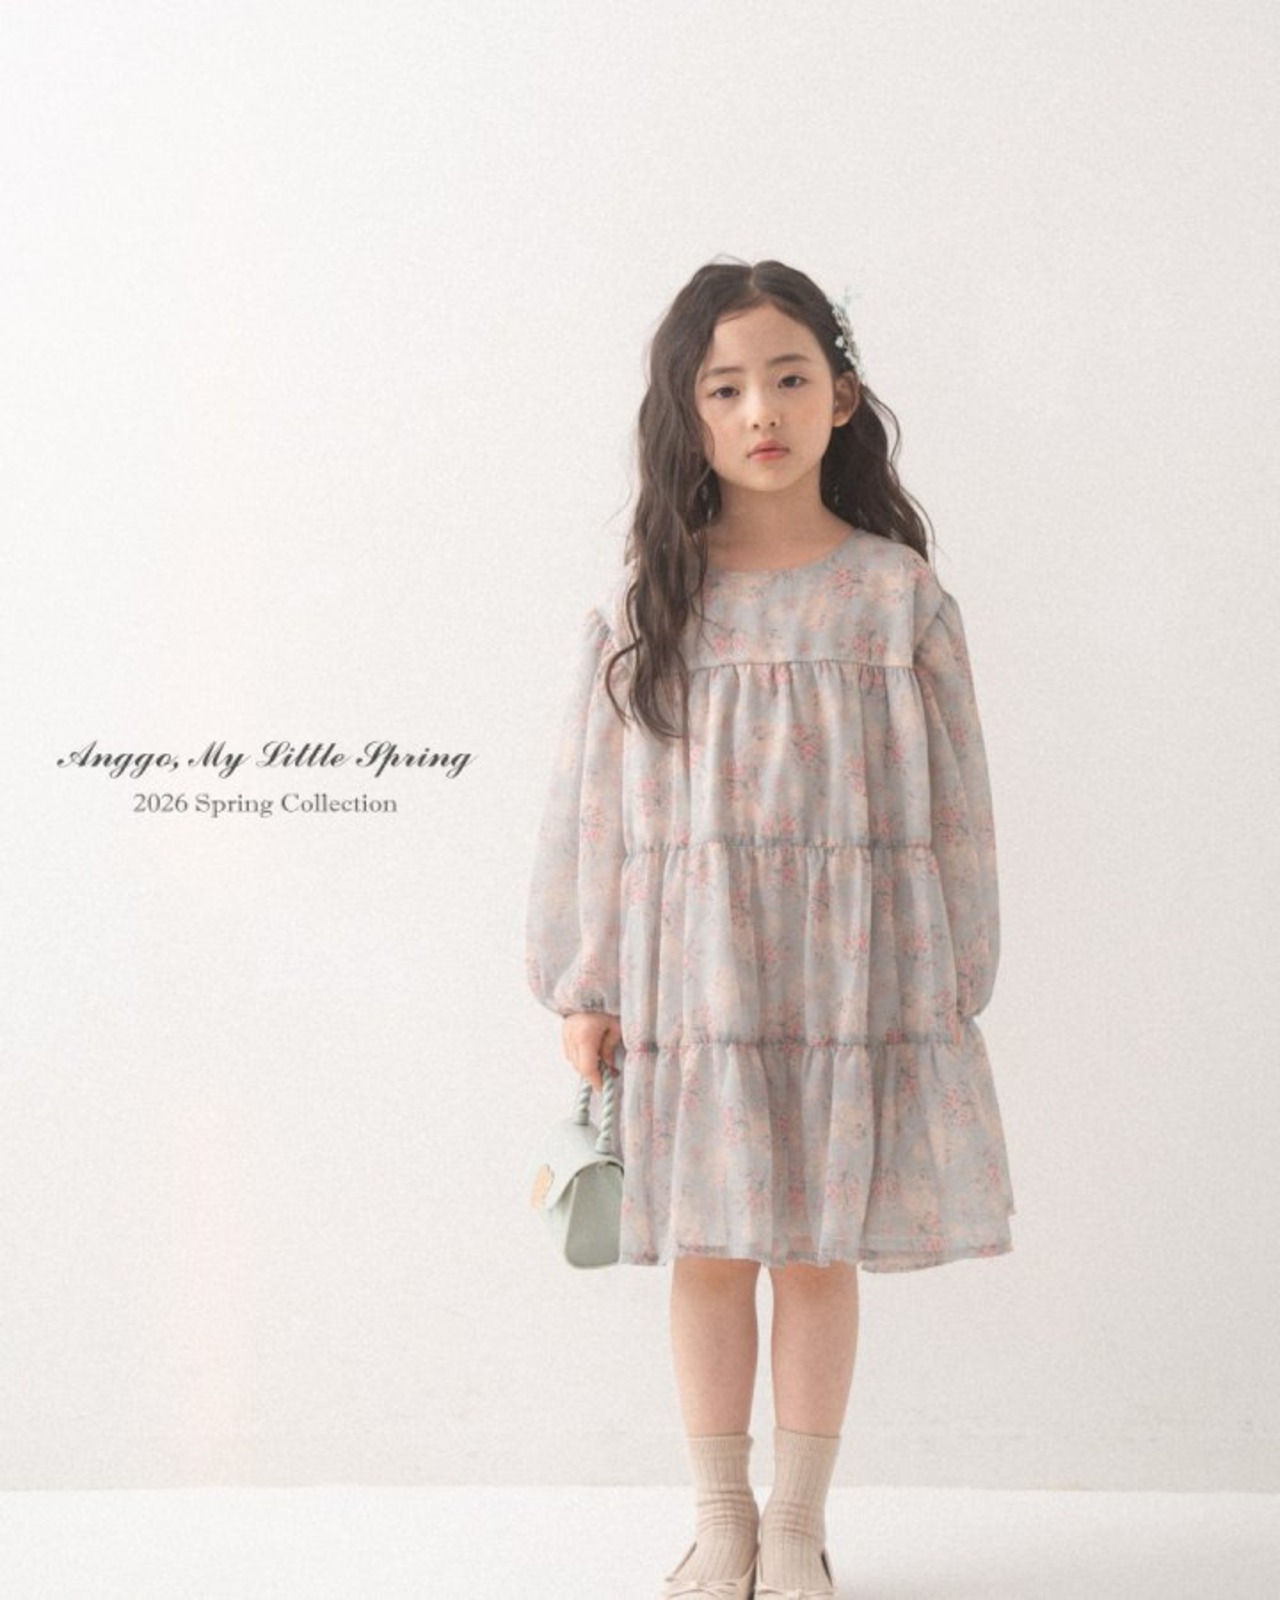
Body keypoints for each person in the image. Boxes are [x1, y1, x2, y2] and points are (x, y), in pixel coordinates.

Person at [524, 257, 1016, 1600]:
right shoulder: (650, 599)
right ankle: (721, 1518)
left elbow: (961, 806)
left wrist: (954, 974)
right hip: (695, 979)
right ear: (687, 415)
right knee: (707, 1252)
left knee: (815, 1252)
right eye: (725, 388)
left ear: (841, 397)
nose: (761, 411)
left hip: (854, 978)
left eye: (790, 378)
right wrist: (585, 979)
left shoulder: (895, 596)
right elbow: (590, 805)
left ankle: (797, 1522)